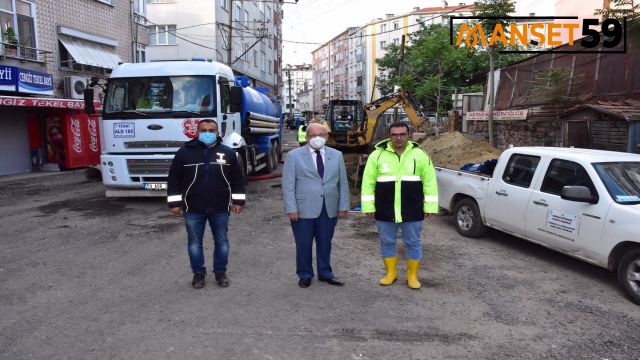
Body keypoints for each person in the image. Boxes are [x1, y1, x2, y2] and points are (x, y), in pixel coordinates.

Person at [167, 119, 245, 289]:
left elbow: (237, 180)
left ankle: (220, 272)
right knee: (194, 243)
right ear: (197, 132)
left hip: (220, 207)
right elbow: (174, 180)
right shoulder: (183, 153)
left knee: (222, 241)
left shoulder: (228, 153)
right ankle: (198, 274)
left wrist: (238, 201)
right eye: (204, 130)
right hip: (193, 207)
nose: (207, 133)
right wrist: (174, 203)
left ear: (218, 133)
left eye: (211, 130)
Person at [360, 122, 438, 290]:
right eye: (394, 134)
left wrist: (430, 206)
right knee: (386, 242)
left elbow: (430, 182)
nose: (398, 137)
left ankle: (412, 276)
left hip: (412, 209)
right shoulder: (377, 155)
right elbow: (368, 182)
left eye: (402, 134)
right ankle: (391, 273)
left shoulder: (420, 155)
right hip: (385, 208)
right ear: (389, 135)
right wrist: (368, 206)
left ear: (409, 135)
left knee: (413, 242)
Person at [282, 123, 350, 288]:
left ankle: (325, 273)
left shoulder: (337, 155)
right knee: (303, 244)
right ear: (307, 138)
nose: (317, 138)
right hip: (302, 209)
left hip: (329, 208)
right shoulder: (294, 156)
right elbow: (288, 185)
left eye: (321, 134)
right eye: (313, 135)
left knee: (325, 243)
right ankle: (305, 274)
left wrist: (343, 206)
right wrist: (291, 208)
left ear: (327, 136)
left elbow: (342, 183)